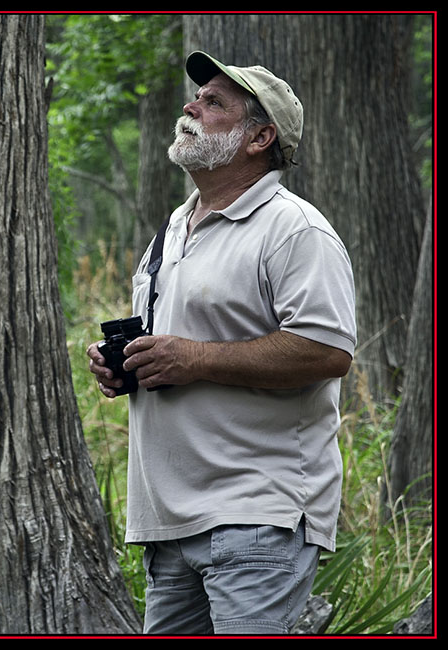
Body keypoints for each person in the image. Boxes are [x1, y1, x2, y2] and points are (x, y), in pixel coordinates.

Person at [87, 51, 356, 636]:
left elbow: (327, 352)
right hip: (167, 523)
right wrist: (126, 365)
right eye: (196, 97)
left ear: (260, 136)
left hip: (256, 516)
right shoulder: (170, 232)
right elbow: (175, 350)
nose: (191, 107)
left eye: (214, 103)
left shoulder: (294, 230)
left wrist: (192, 358)